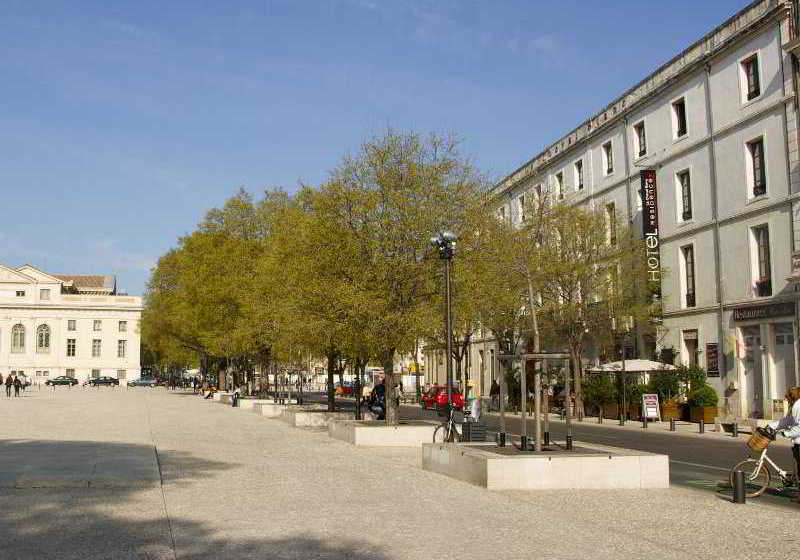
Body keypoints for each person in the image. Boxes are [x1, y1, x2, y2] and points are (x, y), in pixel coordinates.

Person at [768, 386, 800, 498]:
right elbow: (790, 420)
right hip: (797, 442)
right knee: (798, 469)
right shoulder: (796, 405)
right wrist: (772, 426)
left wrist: (786, 434)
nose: (786, 399)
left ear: (792, 397)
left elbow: (799, 426)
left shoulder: (798, 406)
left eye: (787, 397)